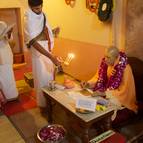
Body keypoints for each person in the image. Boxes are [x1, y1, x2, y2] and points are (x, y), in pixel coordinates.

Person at [24, 0, 62, 108]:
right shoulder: (28, 18)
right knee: (42, 79)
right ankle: (44, 105)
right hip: (39, 54)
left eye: (40, 7)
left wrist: (53, 32)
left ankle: (51, 100)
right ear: (30, 7)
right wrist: (51, 56)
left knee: (49, 78)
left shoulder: (42, 14)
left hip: (47, 50)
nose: (39, 10)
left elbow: (42, 33)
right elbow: (33, 41)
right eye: (36, 9)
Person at [81, 46, 138, 113]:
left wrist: (104, 93)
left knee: (105, 105)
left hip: (120, 97)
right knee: (89, 97)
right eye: (105, 56)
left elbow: (124, 91)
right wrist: (88, 84)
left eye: (108, 57)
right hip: (107, 90)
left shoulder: (125, 69)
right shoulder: (106, 64)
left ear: (116, 58)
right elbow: (99, 78)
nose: (105, 59)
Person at [0, 21, 18, 104]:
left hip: (6, 51)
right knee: (2, 76)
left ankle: (12, 96)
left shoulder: (2, 24)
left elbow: (10, 40)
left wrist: (9, 33)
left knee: (8, 75)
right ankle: (4, 97)